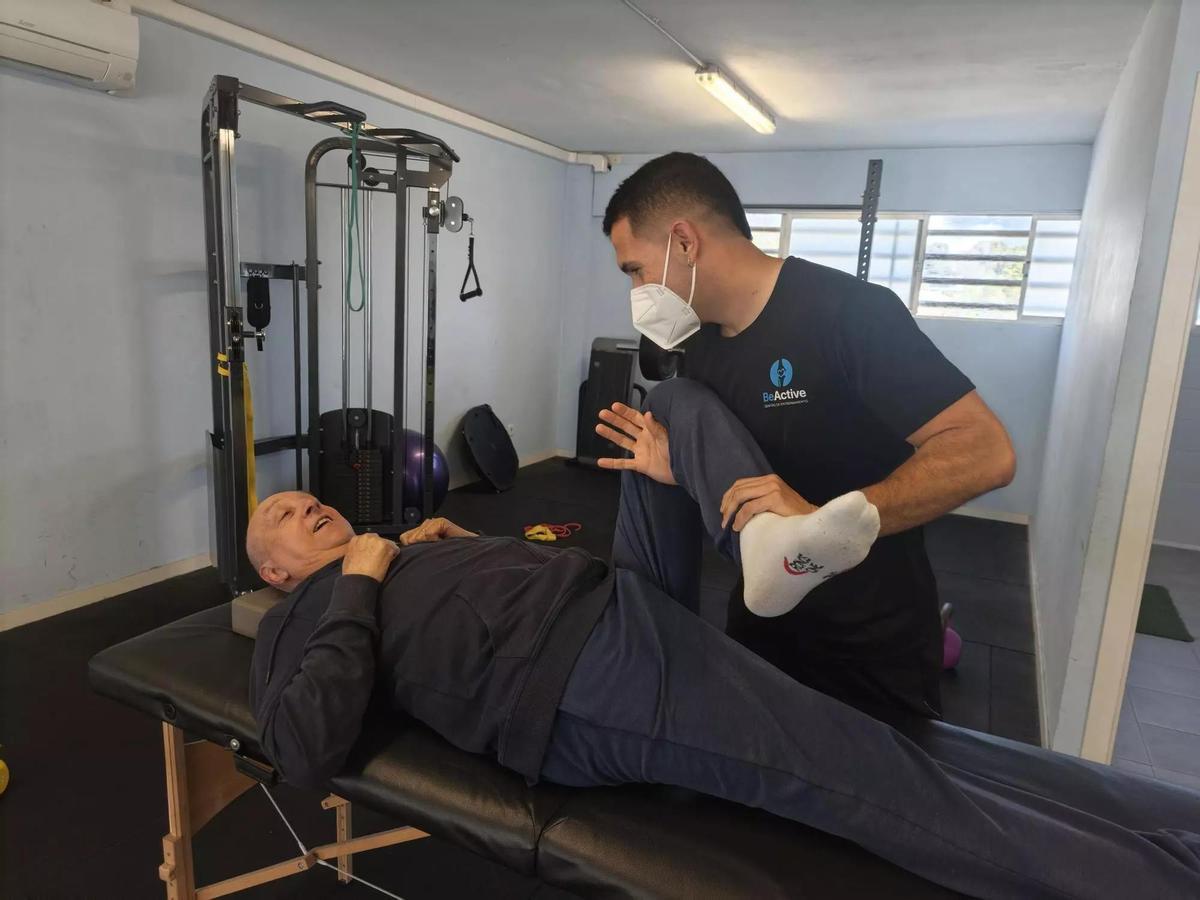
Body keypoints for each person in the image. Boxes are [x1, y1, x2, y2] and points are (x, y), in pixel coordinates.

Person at [248, 379, 1200, 900]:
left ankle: (765, 538)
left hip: (616, 602)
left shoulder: (399, 547)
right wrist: (362, 588)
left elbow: (473, 603)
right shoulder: (304, 617)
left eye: (308, 494)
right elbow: (301, 747)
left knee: (668, 398)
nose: (313, 503)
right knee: (871, 769)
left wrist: (454, 547)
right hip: (585, 681)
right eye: (291, 513)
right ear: (275, 574)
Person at [602, 151, 1017, 722]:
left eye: (634, 269)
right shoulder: (699, 348)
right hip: (762, 626)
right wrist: (683, 470)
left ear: (684, 242)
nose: (636, 289)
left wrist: (822, 519)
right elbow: (742, 478)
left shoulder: (848, 313)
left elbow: (984, 451)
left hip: (869, 644)